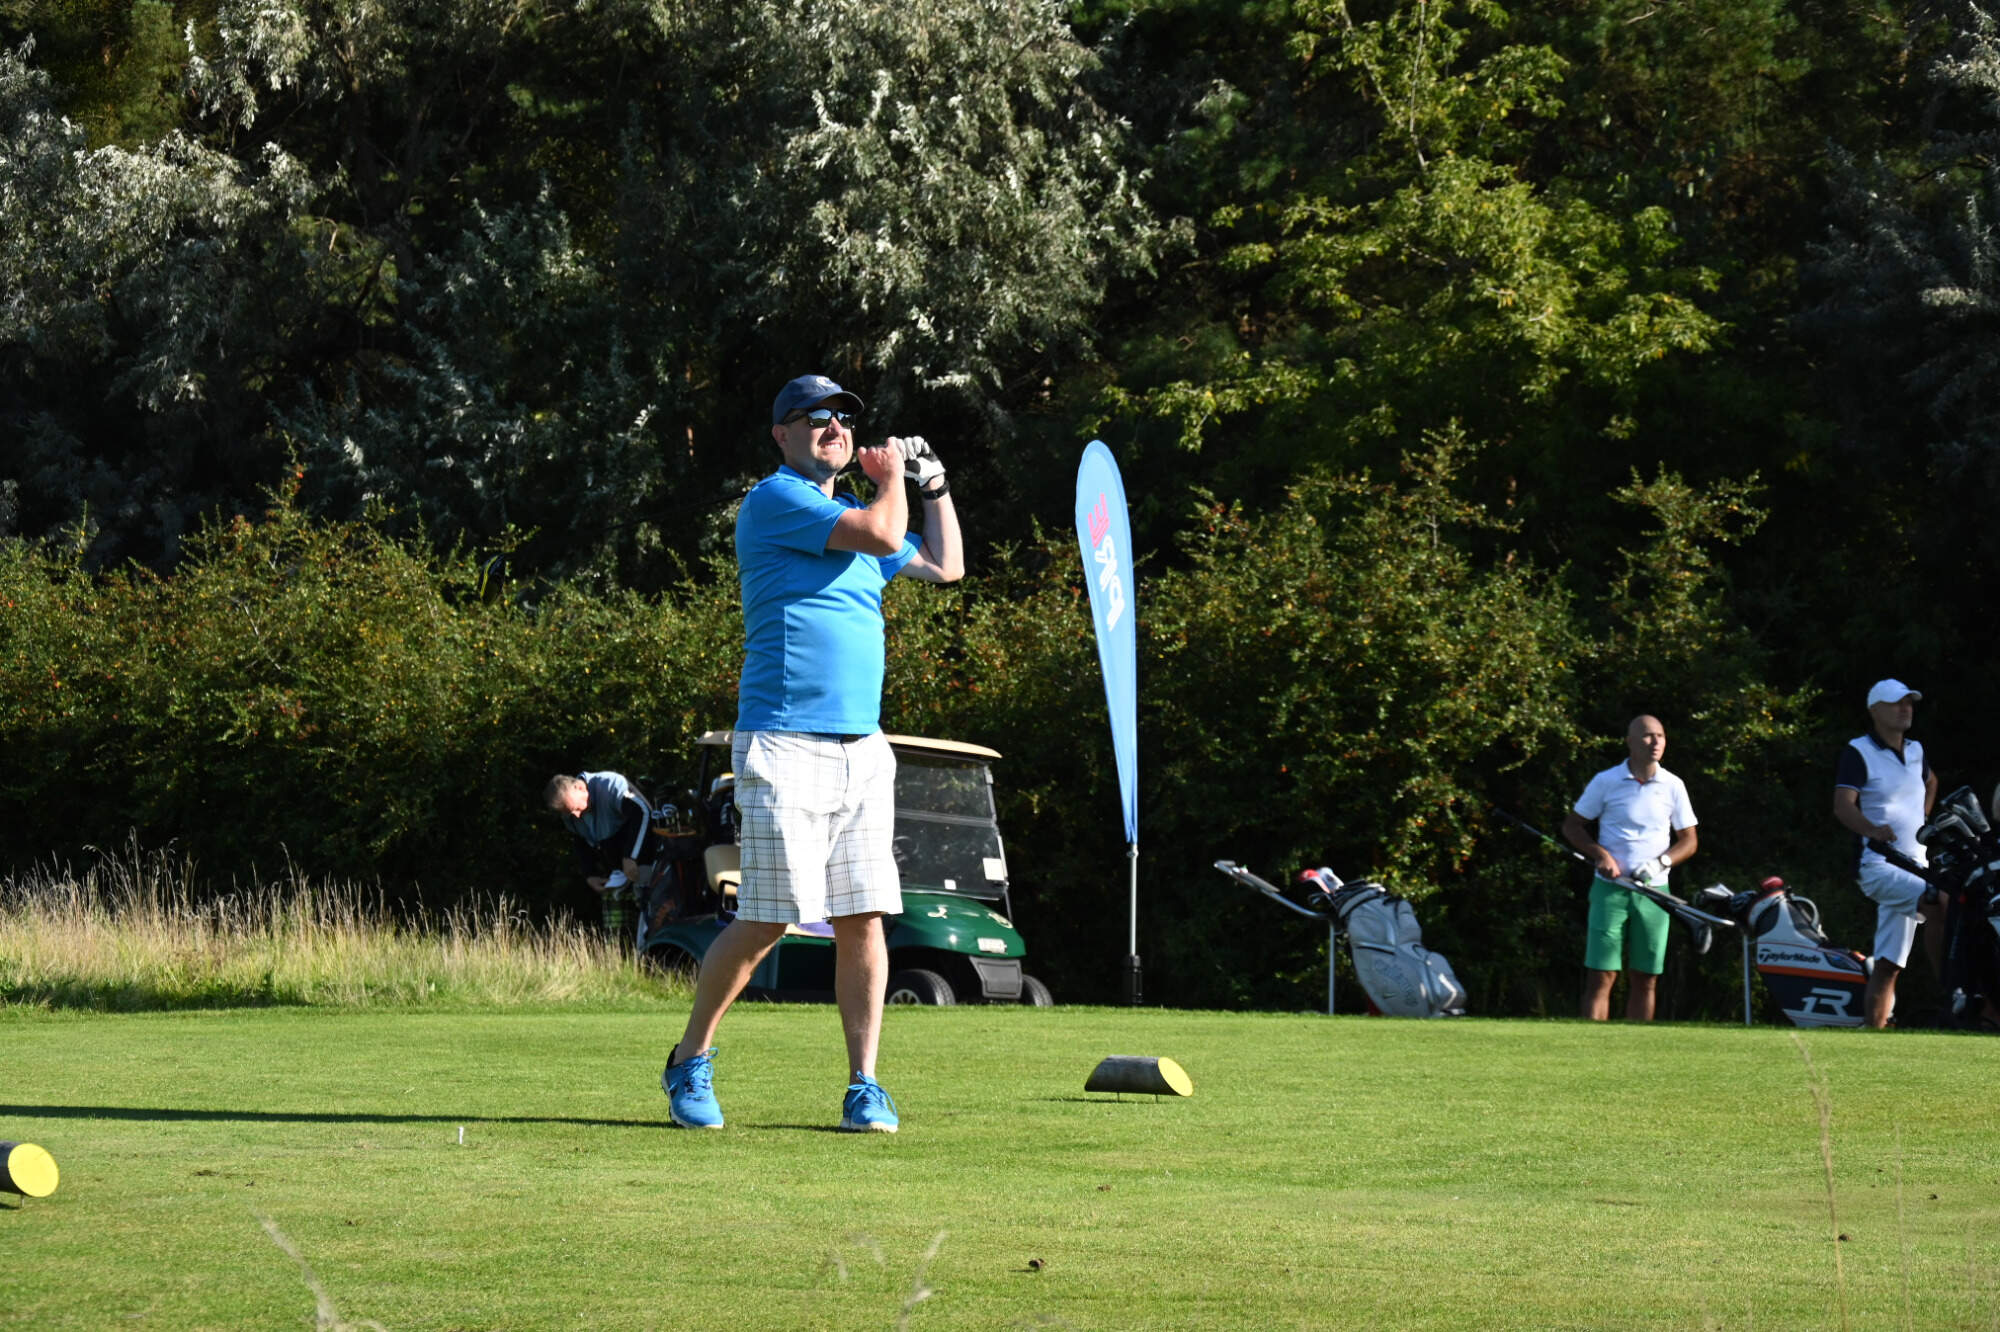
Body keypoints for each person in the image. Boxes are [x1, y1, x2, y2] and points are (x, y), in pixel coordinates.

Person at [660, 372, 963, 1133]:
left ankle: (865, 1085)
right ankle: (689, 1058)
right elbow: (884, 535)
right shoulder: (777, 500)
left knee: (863, 917)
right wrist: (892, 481)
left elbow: (946, 565)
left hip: (863, 749)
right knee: (769, 918)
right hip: (783, 741)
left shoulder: (857, 516)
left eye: (842, 418)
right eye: (815, 416)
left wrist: (932, 483)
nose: (834, 427)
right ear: (782, 433)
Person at [1562, 715, 1700, 1022]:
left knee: (1646, 976)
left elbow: (1689, 841)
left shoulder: (1673, 785)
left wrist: (1661, 862)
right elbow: (1572, 826)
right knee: (1602, 974)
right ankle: (1591, 1043)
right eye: (1648, 736)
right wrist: (1600, 855)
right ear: (1630, 742)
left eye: (1660, 736)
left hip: (1655, 893)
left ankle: (1637, 1044)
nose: (1655, 742)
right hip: (1610, 889)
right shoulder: (1606, 781)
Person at [1831, 679, 1940, 1029]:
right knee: (1940, 902)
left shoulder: (1916, 750)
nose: (1905, 709)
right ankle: (1954, 989)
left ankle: (1873, 1029)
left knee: (1889, 962)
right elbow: (1843, 806)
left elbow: (1931, 781)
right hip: (1878, 865)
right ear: (1875, 710)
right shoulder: (1859, 751)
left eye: (1909, 702)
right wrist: (1872, 830)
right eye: (1896, 703)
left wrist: (1923, 819)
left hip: (1915, 866)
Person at [544, 771, 659, 950]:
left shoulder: (610, 785)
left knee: (649, 914)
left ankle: (651, 955)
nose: (575, 816)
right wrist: (589, 874)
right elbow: (580, 842)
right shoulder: (570, 813)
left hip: (645, 861)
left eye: (576, 808)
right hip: (616, 874)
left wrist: (631, 856)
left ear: (580, 787)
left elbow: (643, 812)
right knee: (616, 931)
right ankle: (619, 959)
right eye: (568, 812)